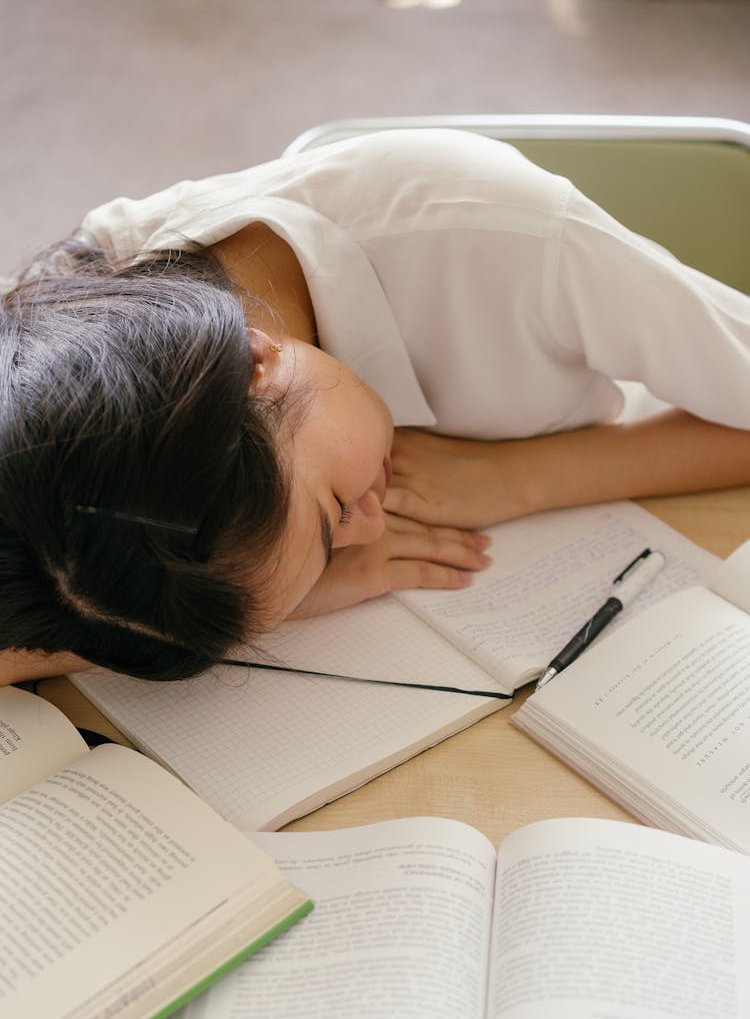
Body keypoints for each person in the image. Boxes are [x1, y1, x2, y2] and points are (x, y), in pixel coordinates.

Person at [1, 128, 749, 687]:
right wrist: (258, 597)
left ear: (258, 359)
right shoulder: (49, 377)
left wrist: (525, 477)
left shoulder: (506, 239)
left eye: (332, 516)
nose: (371, 525)